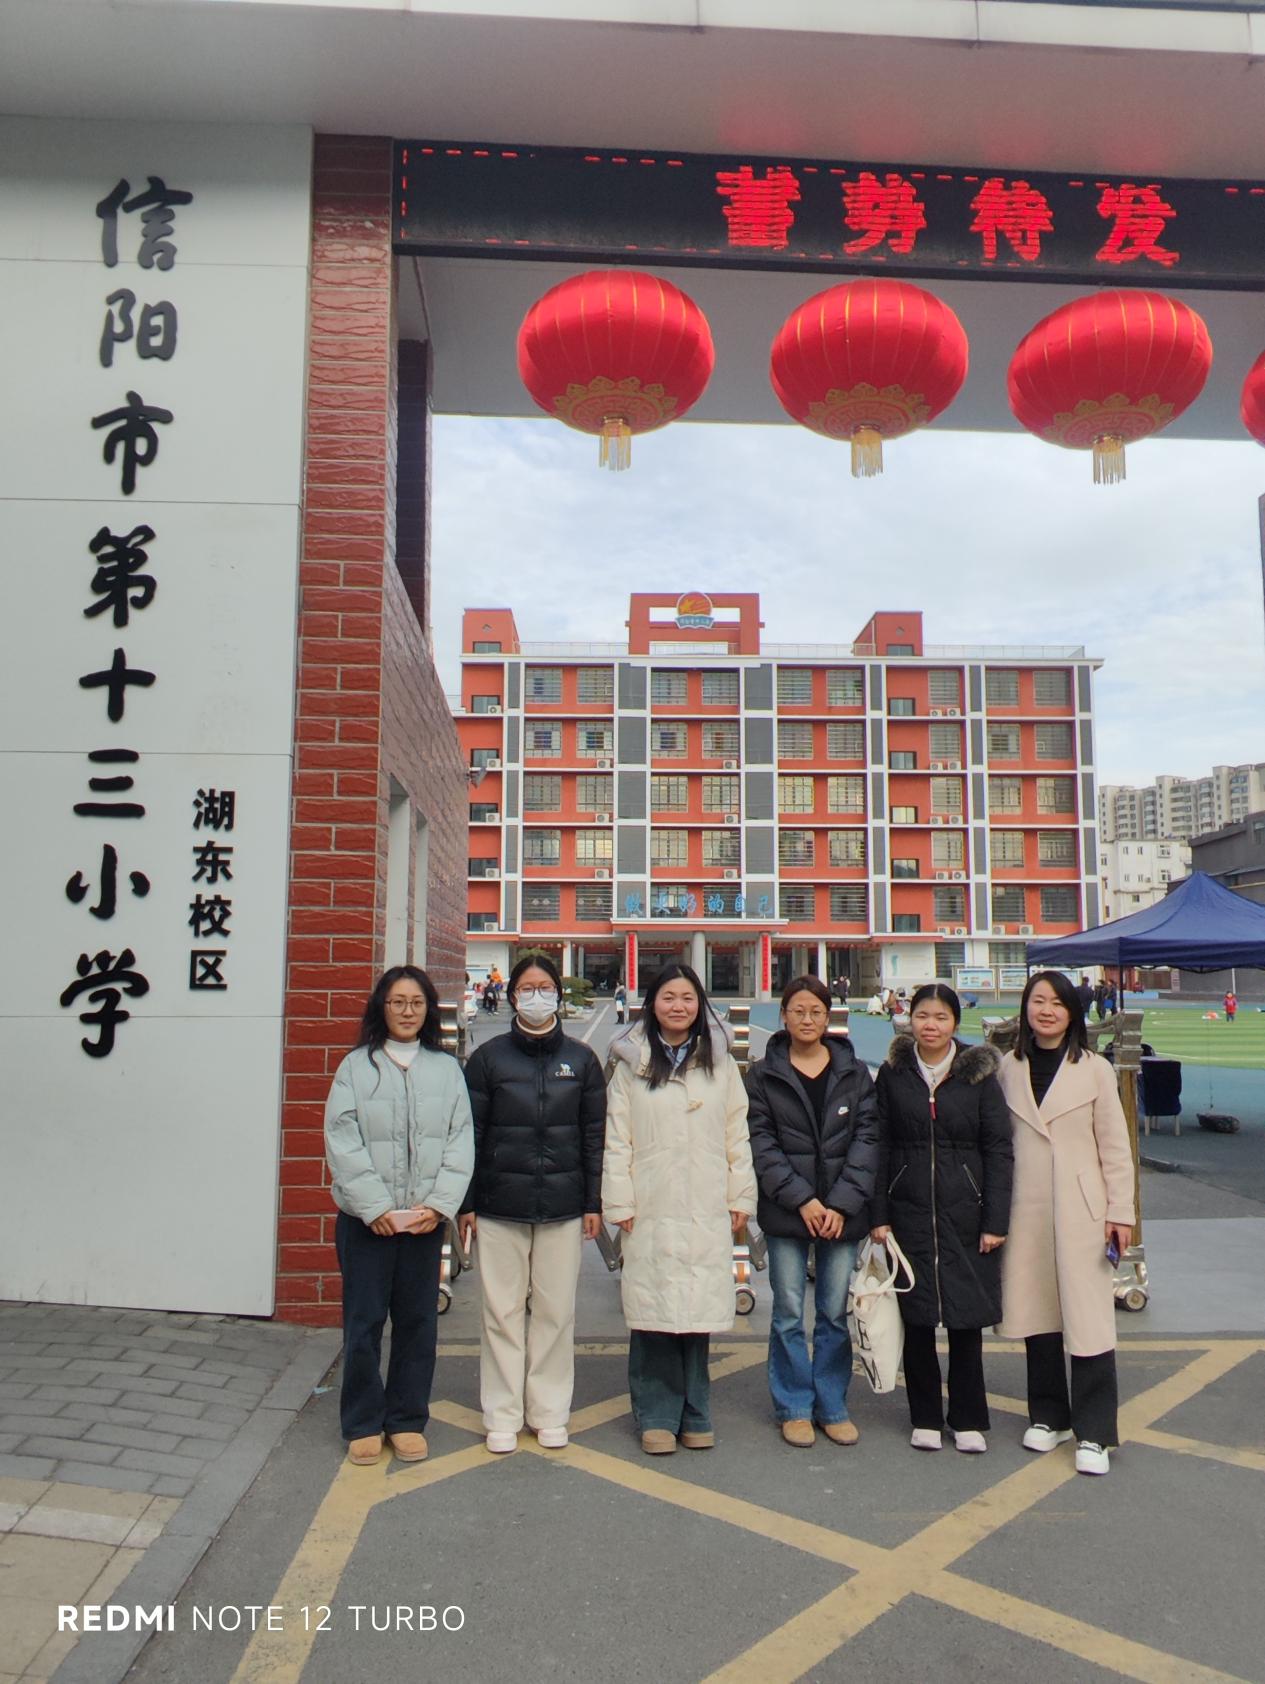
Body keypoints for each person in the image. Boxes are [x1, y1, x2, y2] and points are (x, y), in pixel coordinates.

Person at [603, 962, 756, 1455]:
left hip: (705, 1200)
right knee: (652, 1311)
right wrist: (619, 1199)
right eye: (668, 997)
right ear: (652, 1004)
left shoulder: (720, 1064)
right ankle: (655, 1414)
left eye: (687, 998)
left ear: (700, 1005)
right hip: (650, 1201)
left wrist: (740, 1195)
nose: (678, 1006)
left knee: (695, 1310)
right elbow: (616, 1139)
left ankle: (695, 1411)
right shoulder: (631, 1064)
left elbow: (737, 1132)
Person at [324, 965, 474, 1466]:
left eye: (416, 1003)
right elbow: (342, 1140)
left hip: (422, 1223)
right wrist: (374, 1207)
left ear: (429, 1009)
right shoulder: (355, 1068)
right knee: (363, 1322)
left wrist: (440, 1205)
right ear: (381, 1008)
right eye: (397, 1002)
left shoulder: (446, 1070)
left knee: (417, 1323)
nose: (407, 1012)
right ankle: (363, 1422)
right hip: (367, 1224)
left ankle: (407, 1419)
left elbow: (460, 1141)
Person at [459, 954, 606, 1454]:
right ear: (512, 995)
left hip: (563, 1207)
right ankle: (501, 1414)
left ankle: (549, 1412)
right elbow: (470, 1135)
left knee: (555, 1312)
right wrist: (467, 1202)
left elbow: (594, 1137)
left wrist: (592, 1201)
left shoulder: (582, 1061)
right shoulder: (488, 1060)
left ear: (558, 996)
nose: (537, 996)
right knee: (500, 1313)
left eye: (545, 988)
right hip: (498, 1204)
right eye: (527, 988)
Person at [996, 970, 1135, 1477]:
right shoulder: (1008, 1067)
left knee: (1089, 1319)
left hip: (1083, 1209)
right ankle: (1049, 1415)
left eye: (1057, 1003)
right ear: (1025, 1008)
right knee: (1038, 1312)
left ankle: (1095, 1432)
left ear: (1073, 1012)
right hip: (1027, 1206)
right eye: (1038, 1001)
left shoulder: (1094, 1069)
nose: (1047, 1011)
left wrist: (1121, 1212)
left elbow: (1115, 1146)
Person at [870, 984, 1012, 1454]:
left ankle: (968, 1419)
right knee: (917, 1319)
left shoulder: (979, 1074)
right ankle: (926, 1416)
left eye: (941, 1017)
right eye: (922, 1016)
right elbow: (879, 1144)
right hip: (908, 1212)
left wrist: (995, 1219)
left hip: (966, 1213)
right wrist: (879, 1214)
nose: (930, 1026)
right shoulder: (893, 1074)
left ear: (955, 1022)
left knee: (966, 1321)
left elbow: (998, 1148)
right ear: (908, 1019)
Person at [745, 976, 879, 1448]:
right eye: (798, 1010)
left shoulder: (855, 1073)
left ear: (829, 1017)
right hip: (787, 1211)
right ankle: (794, 1407)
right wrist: (802, 1199)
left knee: (833, 1313)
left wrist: (840, 1203)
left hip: (842, 1214)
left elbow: (867, 1140)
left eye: (816, 1011)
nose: (807, 1019)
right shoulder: (763, 1075)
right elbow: (761, 1143)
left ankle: (832, 1405)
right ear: (783, 1015)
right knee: (787, 1312)